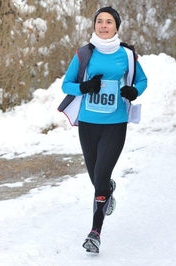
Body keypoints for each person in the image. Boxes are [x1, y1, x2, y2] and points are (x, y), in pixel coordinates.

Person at [61, 6, 147, 253]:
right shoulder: (83, 54)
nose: (103, 25)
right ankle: (107, 190)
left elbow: (142, 80)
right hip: (88, 123)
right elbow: (67, 85)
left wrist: (134, 91)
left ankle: (94, 233)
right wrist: (84, 87)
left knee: (99, 177)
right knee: (96, 178)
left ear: (116, 26)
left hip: (115, 124)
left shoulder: (127, 55)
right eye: (100, 21)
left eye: (109, 21)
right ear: (95, 25)